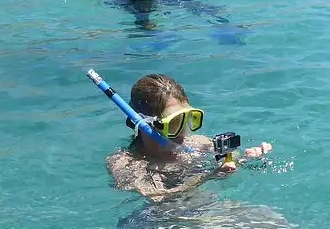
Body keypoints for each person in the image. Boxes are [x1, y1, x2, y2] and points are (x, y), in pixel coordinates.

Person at [107, 73, 272, 202]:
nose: (183, 132)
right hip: (165, 223)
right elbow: (158, 197)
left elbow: (229, 157)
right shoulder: (127, 163)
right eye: (174, 123)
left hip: (210, 207)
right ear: (145, 125)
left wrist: (245, 158)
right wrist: (209, 176)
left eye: (187, 119)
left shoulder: (197, 143)